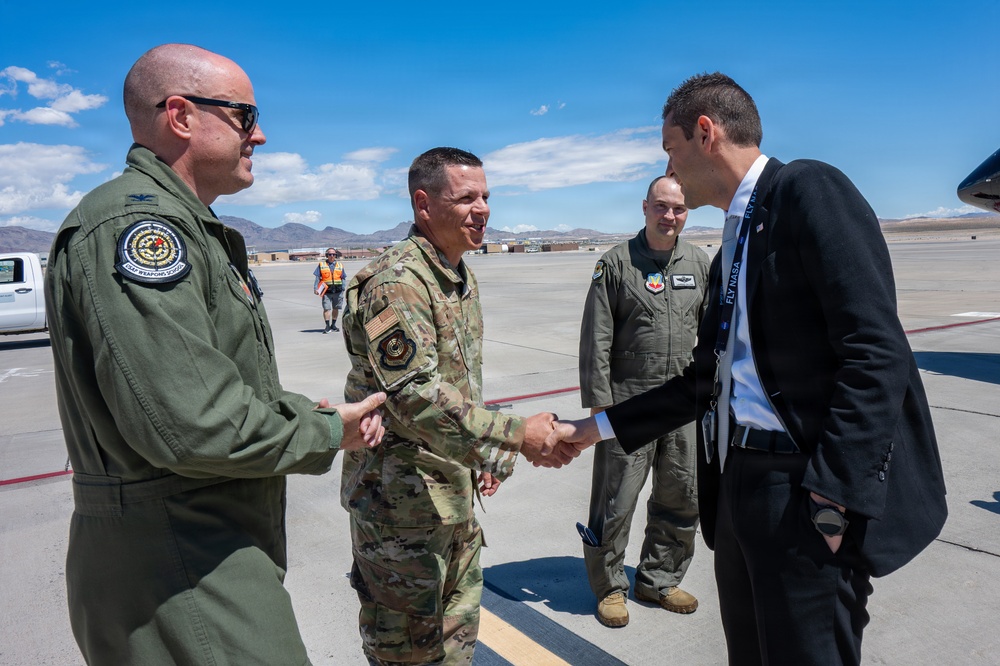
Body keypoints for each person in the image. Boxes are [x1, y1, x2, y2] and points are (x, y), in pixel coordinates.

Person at [549, 72, 947, 665]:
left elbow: (876, 351)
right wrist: (592, 430)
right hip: (742, 488)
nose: (669, 163)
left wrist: (833, 498)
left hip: (804, 493)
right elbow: (702, 381)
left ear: (705, 133)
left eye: (671, 147)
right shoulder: (735, 230)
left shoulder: (808, 190)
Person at [45, 44, 387, 665]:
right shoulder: (139, 229)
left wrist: (293, 408)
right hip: (178, 556)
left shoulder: (188, 227)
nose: (261, 134)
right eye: (245, 114)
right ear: (180, 116)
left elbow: (215, 379)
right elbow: (191, 422)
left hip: (204, 542)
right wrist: (324, 432)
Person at [341, 146, 573, 665]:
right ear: (424, 204)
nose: (483, 208)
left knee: (457, 637)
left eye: (486, 196)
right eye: (466, 197)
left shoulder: (457, 275)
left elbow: (460, 385)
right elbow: (415, 396)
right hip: (401, 508)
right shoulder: (397, 282)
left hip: (453, 494)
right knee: (408, 649)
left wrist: (486, 456)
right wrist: (514, 434)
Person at [579, 174, 709, 627]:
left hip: (684, 401)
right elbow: (596, 338)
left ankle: (659, 579)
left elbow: (713, 335)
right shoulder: (615, 264)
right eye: (660, 206)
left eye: (677, 208)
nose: (669, 216)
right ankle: (609, 587)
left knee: (682, 494)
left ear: (686, 212)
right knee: (616, 500)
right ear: (645, 207)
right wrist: (599, 407)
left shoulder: (699, 261)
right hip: (627, 400)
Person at [314, 247, 346, 333]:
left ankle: (333, 325)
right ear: (327, 255)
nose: (332, 256)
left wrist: (343, 288)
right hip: (326, 292)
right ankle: (327, 326)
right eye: (330, 254)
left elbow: (343, 278)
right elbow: (317, 278)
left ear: (336, 255)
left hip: (338, 291)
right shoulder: (321, 265)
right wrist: (316, 288)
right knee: (326, 308)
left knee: (336, 308)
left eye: (333, 254)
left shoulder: (340, 265)